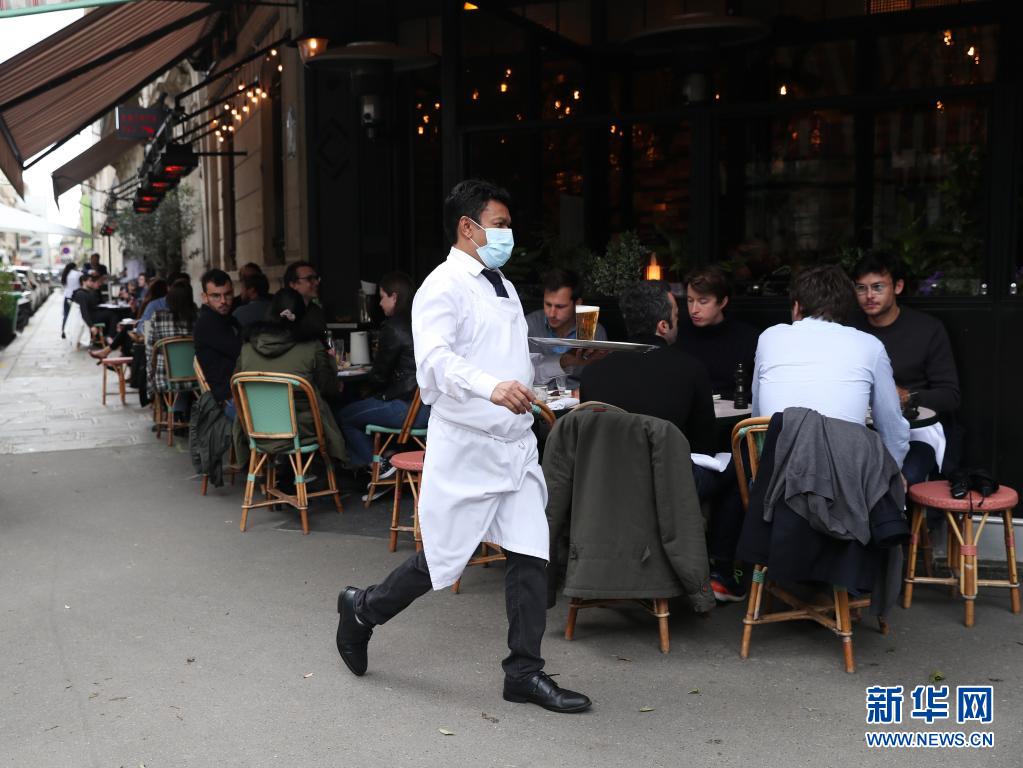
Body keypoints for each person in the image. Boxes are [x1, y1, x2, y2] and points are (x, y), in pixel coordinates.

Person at [335, 179, 591, 713]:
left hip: (515, 445)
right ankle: (362, 610)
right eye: (500, 225)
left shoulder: (503, 285)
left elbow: (508, 355)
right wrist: (490, 387)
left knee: (531, 553)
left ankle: (524, 672)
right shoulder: (441, 286)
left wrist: (557, 370)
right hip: (468, 446)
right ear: (467, 227)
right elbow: (434, 363)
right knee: (441, 561)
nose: (508, 235)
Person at [577, 282, 744, 602]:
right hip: (667, 486)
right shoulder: (689, 369)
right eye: (677, 317)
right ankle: (721, 570)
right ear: (663, 326)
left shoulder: (594, 373)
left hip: (605, 487)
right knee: (738, 469)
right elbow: (703, 446)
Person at [753, 264, 910, 472]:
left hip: (776, 482)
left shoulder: (769, 338)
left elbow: (756, 422)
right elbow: (892, 427)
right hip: (847, 482)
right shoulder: (870, 346)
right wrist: (893, 473)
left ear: (797, 306)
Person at [851, 251, 961, 485]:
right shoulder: (849, 330)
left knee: (898, 477)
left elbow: (950, 396)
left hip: (915, 433)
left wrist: (907, 396)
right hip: (859, 432)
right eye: (861, 288)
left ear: (898, 287)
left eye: (878, 287)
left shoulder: (927, 329)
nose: (869, 296)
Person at [233, 288, 347, 462]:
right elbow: (327, 388)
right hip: (300, 430)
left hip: (256, 427)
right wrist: (332, 368)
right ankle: (324, 467)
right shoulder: (311, 346)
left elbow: (236, 386)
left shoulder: (247, 347)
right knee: (334, 409)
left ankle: (280, 467)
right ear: (303, 315)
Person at [335, 271, 429, 477]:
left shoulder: (394, 327)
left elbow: (379, 375)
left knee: (343, 417)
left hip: (405, 408)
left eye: (382, 297)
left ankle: (377, 466)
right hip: (429, 408)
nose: (379, 303)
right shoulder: (424, 320)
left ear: (394, 297)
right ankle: (387, 457)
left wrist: (366, 387)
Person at [677, 265, 760, 398]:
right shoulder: (678, 334)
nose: (694, 309)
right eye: (690, 300)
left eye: (703, 301)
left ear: (722, 302)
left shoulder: (748, 339)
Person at [524, 269, 607, 390]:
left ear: (577, 303)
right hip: (538, 397)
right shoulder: (528, 325)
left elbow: (601, 377)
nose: (552, 313)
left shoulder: (592, 329)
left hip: (580, 397)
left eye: (560, 306)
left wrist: (586, 392)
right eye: (548, 304)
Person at [194, 269, 241, 416]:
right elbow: (240, 352)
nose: (223, 301)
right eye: (216, 296)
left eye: (227, 294)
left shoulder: (228, 319)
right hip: (227, 401)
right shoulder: (208, 322)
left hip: (236, 394)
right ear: (204, 297)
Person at [144, 279, 198, 402]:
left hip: (165, 380)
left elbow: (149, 350)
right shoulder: (198, 317)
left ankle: (169, 406)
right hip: (196, 379)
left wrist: (150, 384)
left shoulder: (157, 316)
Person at [283, 260, 327, 340]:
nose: (317, 283)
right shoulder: (282, 312)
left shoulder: (316, 311)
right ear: (293, 284)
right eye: (310, 279)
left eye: (316, 278)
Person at [60, 261, 82, 339]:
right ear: (74, 267)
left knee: (66, 314)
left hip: (67, 296)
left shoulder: (65, 274)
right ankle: (74, 331)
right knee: (76, 314)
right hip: (76, 296)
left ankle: (63, 331)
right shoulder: (78, 274)